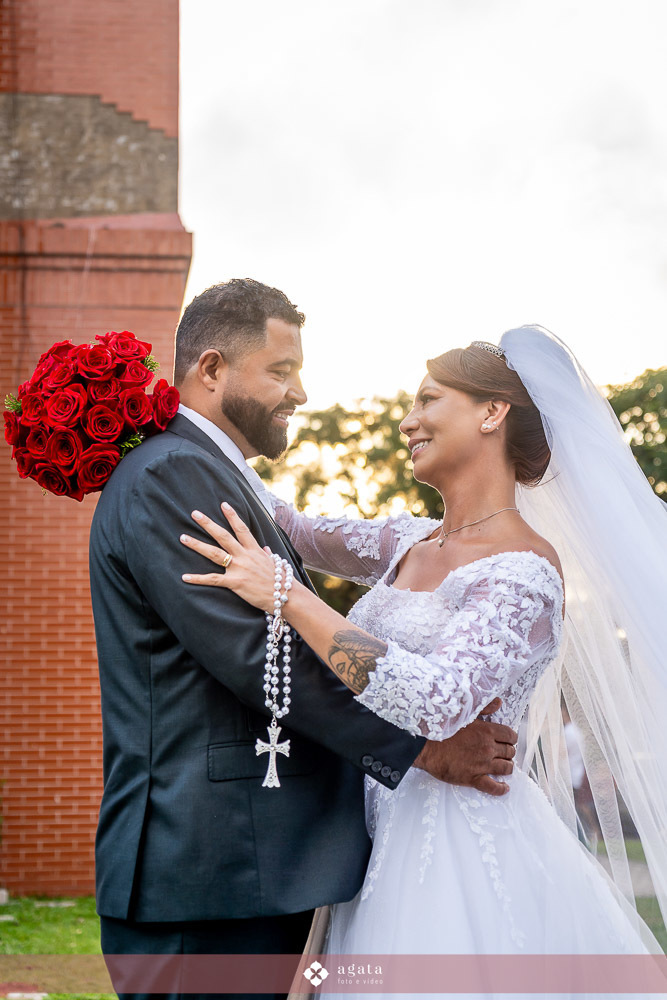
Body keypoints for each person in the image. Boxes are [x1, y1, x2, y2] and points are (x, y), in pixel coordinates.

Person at [181, 326, 667, 996]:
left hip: (456, 849)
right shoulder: (409, 541)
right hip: (367, 827)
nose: (408, 420)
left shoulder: (524, 573)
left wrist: (288, 597)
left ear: (491, 413)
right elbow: (287, 526)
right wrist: (181, 428)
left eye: (427, 400)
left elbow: (437, 702)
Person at [88, 279, 518, 1000]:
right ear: (213, 369)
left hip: (244, 863)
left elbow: (294, 552)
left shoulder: (206, 472)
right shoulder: (173, 473)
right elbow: (259, 654)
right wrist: (422, 748)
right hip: (207, 864)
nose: (300, 393)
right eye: (280, 371)